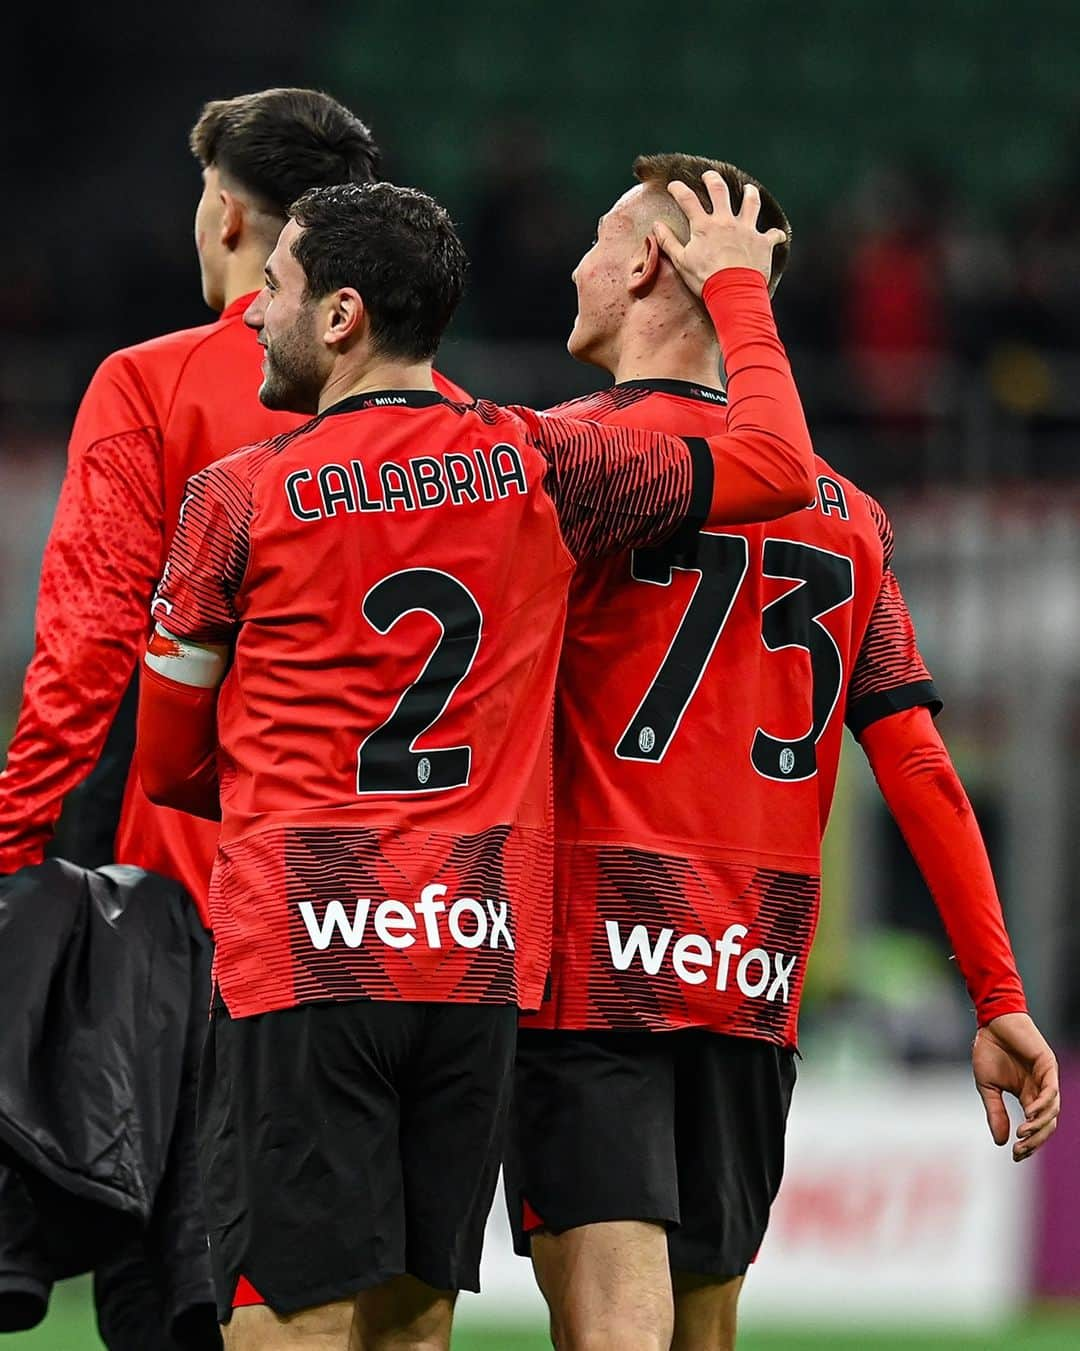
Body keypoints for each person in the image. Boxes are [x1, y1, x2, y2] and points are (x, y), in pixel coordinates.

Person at [134, 174, 815, 1350]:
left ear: (342, 316)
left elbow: (164, 766)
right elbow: (774, 464)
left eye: (279, 289)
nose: (253, 311)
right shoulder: (536, 466)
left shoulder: (232, 498)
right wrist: (740, 294)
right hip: (470, 956)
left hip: (305, 944)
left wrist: (274, 777)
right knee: (412, 1321)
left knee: (287, 1311)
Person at [505, 155, 1061, 1351]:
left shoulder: (564, 462)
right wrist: (998, 993)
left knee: (610, 1332)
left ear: (652, 263)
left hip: (590, 963)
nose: (574, 265)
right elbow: (918, 766)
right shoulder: (852, 516)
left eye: (601, 241)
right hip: (752, 973)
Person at [0, 86, 466, 925]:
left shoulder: (148, 384)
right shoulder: (468, 427)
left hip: (203, 890)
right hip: (410, 898)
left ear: (224, 213)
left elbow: (89, 646)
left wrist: (15, 843)